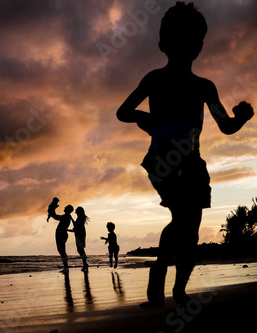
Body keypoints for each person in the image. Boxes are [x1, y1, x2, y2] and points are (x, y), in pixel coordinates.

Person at [116, 2, 253, 308]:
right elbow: (122, 112)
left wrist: (242, 117)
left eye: (194, 40)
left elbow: (226, 126)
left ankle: (177, 288)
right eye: (181, 40)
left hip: (192, 161)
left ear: (200, 46)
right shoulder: (154, 79)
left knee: (190, 228)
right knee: (183, 218)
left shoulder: (205, 86)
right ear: (164, 44)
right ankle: (159, 277)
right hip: (163, 160)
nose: (188, 46)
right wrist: (146, 119)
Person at [51, 204, 74, 274]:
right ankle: (65, 267)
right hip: (62, 234)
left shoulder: (66, 216)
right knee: (62, 250)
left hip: (61, 234)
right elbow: (55, 217)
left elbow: (55, 217)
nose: (64, 207)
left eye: (65, 207)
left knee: (62, 251)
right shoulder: (67, 216)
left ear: (67, 210)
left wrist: (52, 209)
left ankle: (66, 267)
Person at [71, 206, 90, 271]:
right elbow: (76, 226)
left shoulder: (79, 218)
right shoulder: (80, 218)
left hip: (79, 234)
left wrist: (71, 218)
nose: (75, 210)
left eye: (76, 210)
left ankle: (85, 264)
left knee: (80, 250)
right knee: (80, 249)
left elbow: (76, 226)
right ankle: (85, 264)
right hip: (80, 234)